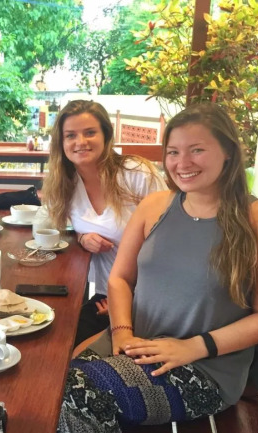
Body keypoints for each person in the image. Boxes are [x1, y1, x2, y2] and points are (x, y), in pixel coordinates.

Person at [43, 103, 258, 433]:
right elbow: (121, 278)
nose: (183, 163)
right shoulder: (157, 206)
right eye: (174, 152)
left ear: (228, 152)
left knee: (80, 391)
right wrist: (121, 332)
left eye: (197, 150)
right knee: (53, 384)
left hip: (203, 368)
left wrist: (193, 346)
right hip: (136, 345)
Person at [41, 100, 165, 349]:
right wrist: (83, 237)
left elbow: (170, 243)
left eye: (90, 132)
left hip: (151, 298)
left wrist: (130, 300)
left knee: (65, 347)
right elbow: (68, 227)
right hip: (107, 296)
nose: (80, 142)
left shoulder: (136, 174)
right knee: (52, 335)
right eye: (71, 135)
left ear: (106, 136)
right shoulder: (66, 184)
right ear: (61, 142)